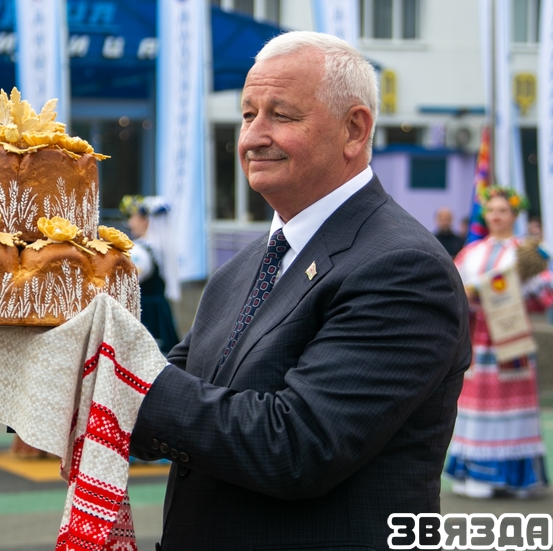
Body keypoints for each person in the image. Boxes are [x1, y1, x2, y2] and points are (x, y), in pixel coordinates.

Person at [128, 31, 470, 550]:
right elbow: (181, 388)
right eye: (247, 115)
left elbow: (296, 446)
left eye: (280, 116)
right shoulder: (247, 263)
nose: (252, 137)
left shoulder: (403, 268)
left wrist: (116, 367)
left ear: (354, 130)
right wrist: (53, 366)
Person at [445, 187, 550, 498]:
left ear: (514, 215)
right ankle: (478, 473)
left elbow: (544, 292)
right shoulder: (471, 252)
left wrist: (513, 291)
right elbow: (454, 289)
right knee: (477, 408)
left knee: (515, 409)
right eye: (491, 210)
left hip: (512, 339)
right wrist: (474, 295)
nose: (496, 216)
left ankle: (517, 477)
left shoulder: (527, 252)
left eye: (502, 210)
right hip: (479, 342)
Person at [121, 195, 180, 354]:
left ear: (145, 220)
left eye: (133, 217)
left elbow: (128, 282)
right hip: (160, 311)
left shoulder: (140, 251)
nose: (129, 223)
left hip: (145, 313)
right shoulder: (157, 249)